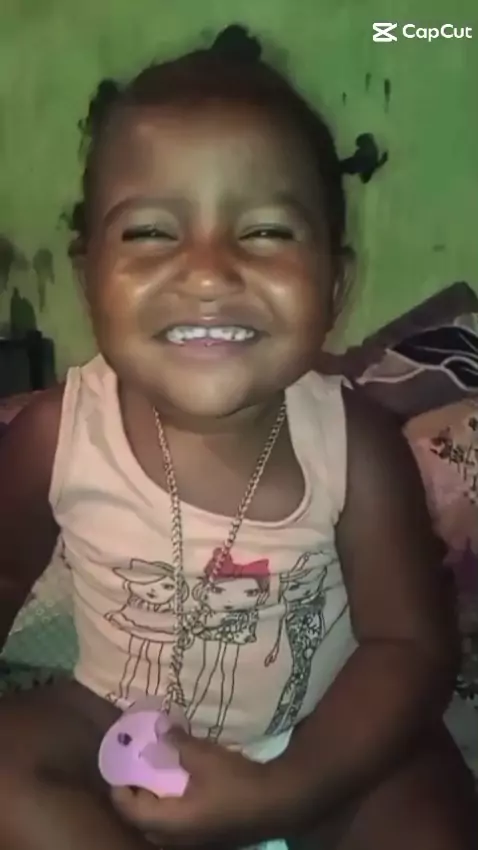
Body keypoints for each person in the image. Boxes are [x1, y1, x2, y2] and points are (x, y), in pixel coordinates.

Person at [0, 24, 476, 850]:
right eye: (151, 232)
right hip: (114, 726)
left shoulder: (354, 448)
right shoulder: (55, 435)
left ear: (335, 284)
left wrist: (286, 789)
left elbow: (409, 646)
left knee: (433, 814)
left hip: (317, 740)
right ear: (87, 278)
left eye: (266, 232)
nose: (209, 271)